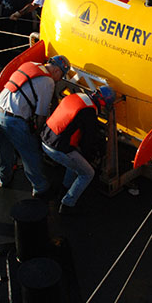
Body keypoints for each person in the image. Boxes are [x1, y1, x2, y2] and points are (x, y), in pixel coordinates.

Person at [0, 55, 71, 195]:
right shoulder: (48, 82)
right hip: (12, 120)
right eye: (61, 76)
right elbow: (41, 114)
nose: (59, 80)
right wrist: (38, 133)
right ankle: (40, 187)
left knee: (5, 149)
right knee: (31, 153)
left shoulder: (32, 64)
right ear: (58, 71)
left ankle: (3, 178)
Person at [41, 86, 116, 215]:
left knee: (76, 161)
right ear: (103, 102)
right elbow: (88, 140)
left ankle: (65, 188)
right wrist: (91, 156)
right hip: (58, 148)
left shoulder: (76, 97)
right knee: (87, 173)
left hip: (45, 139)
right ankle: (67, 204)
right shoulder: (89, 112)